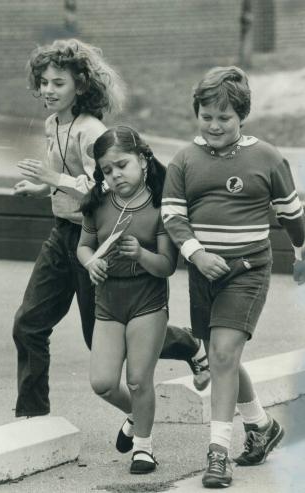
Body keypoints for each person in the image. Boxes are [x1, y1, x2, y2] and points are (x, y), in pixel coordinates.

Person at [12, 38, 210, 419]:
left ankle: (188, 344)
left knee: (100, 337)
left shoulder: (91, 130)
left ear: (81, 86)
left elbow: (97, 186)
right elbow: (71, 178)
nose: (47, 90)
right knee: (28, 323)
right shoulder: (54, 123)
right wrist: (41, 187)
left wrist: (52, 176)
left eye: (58, 83)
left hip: (96, 239)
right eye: (43, 82)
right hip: (62, 236)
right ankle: (32, 417)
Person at [161, 66, 305, 488]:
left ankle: (217, 453)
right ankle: (261, 426)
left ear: (242, 115)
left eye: (224, 118)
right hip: (203, 273)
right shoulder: (185, 159)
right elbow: (172, 214)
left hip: (248, 271)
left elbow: (292, 216)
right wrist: (197, 253)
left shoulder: (267, 158)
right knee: (225, 356)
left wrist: (301, 252)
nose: (214, 125)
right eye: (206, 116)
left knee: (222, 353)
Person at [77, 125, 177, 474]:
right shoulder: (98, 205)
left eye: (122, 165)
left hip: (147, 300)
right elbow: (84, 246)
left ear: (143, 160)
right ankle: (136, 415)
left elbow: (167, 265)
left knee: (137, 379)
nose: (115, 174)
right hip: (108, 301)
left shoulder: (160, 206)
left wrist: (140, 255)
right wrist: (91, 263)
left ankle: (144, 448)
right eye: (107, 170)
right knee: (102, 382)